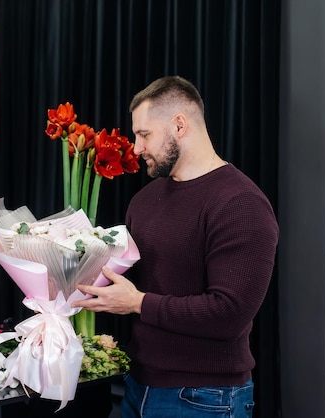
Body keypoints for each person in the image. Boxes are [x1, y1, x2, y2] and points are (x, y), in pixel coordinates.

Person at [72, 76, 279, 417]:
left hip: (206, 398)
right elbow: (135, 283)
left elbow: (228, 314)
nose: (136, 148)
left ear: (179, 125)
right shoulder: (144, 199)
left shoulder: (241, 204)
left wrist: (137, 303)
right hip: (136, 387)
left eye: (144, 134)